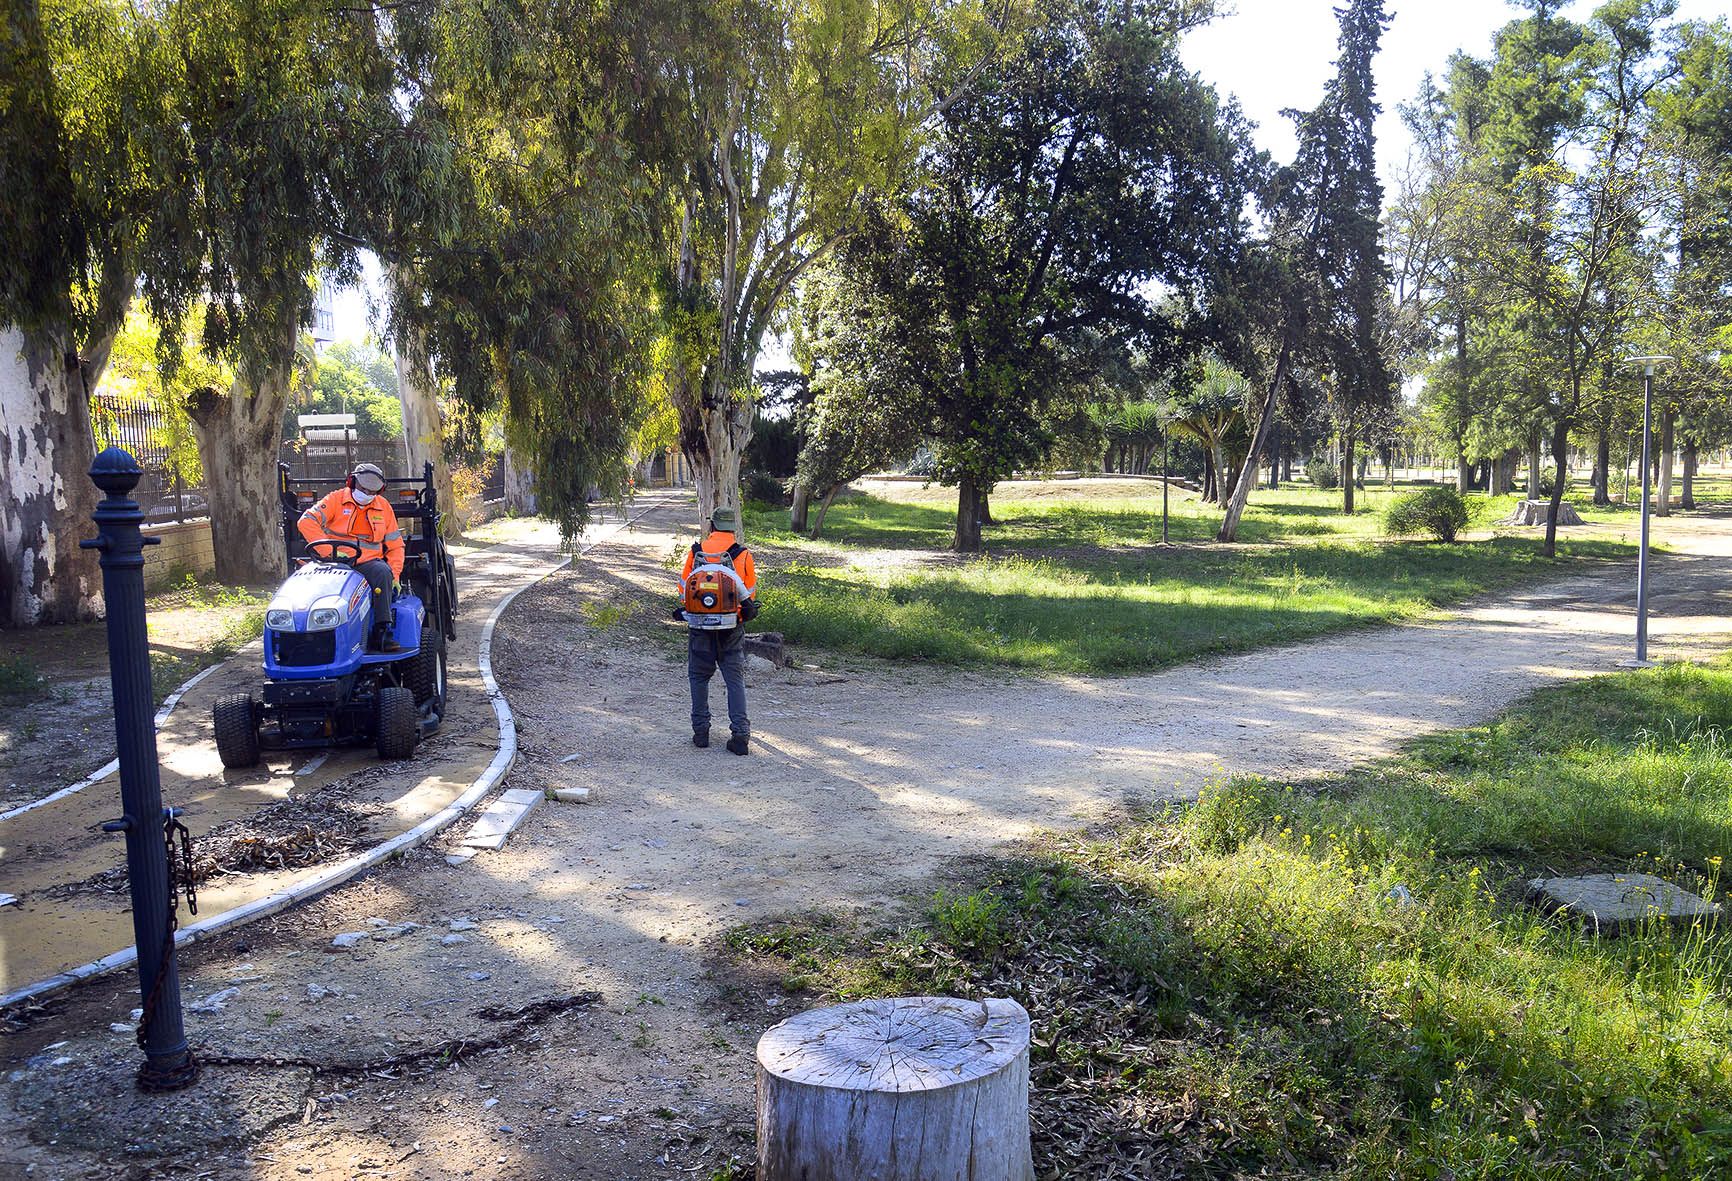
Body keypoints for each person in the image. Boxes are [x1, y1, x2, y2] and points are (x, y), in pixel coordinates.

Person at [673, 506, 757, 755]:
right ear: (733, 528)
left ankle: (701, 733)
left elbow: (683, 591)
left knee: (698, 678)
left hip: (700, 627)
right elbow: (749, 594)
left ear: (712, 527)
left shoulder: (695, 552)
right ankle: (740, 736)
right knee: (734, 681)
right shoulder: (742, 554)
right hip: (731, 627)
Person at [297, 462, 406, 652]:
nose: (367, 494)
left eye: (373, 492)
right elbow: (306, 521)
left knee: (383, 573)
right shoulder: (335, 500)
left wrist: (395, 574)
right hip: (333, 563)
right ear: (352, 482)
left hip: (368, 564)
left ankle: (382, 631)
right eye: (364, 489)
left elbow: (396, 546)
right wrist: (328, 552)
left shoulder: (384, 507)